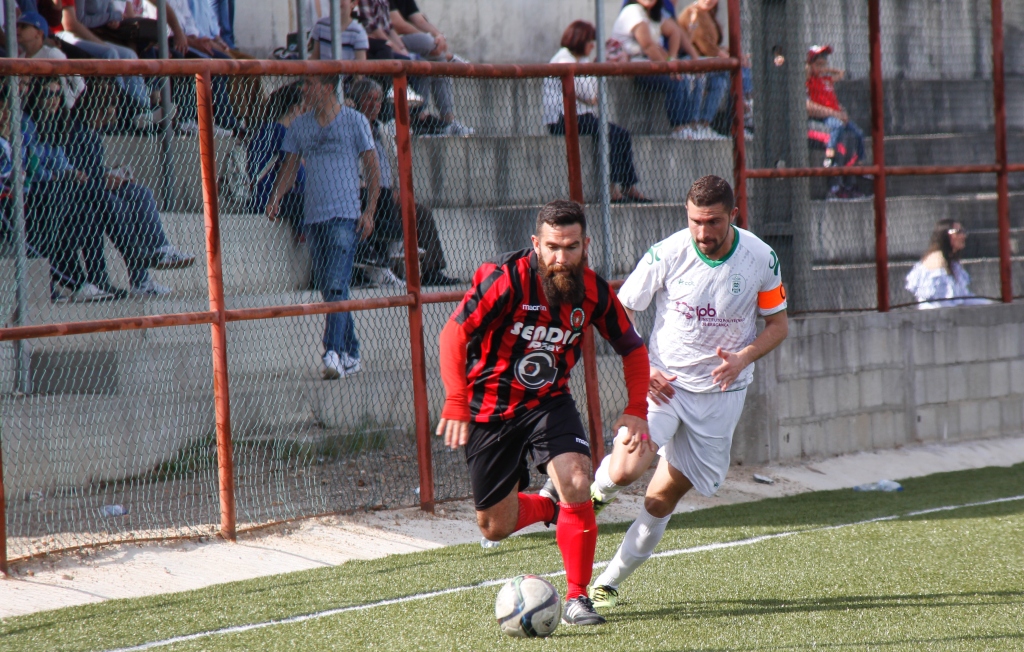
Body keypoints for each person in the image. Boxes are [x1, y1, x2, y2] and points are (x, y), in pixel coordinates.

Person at [435, 200, 651, 626]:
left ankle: (576, 598)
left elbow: (632, 347)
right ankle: (553, 508)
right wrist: (456, 399)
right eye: (552, 246)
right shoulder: (505, 281)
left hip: (547, 402)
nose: (561, 257)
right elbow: (453, 333)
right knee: (494, 526)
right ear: (536, 243)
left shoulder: (593, 291)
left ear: (585, 245)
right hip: (489, 408)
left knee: (576, 479)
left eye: (571, 247)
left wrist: (636, 408)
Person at [586, 175, 789, 609]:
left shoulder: (760, 257)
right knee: (625, 470)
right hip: (663, 384)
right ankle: (598, 491)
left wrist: (743, 357)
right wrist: (645, 368)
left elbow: (778, 326)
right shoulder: (668, 252)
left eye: (712, 221)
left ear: (732, 216)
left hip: (720, 393)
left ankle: (609, 582)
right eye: (695, 220)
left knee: (659, 500)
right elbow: (619, 309)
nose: (702, 232)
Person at [266, 74, 380, 380]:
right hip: (313, 219)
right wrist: (276, 196)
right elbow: (289, 166)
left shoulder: (355, 121)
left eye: (310, 84)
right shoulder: (300, 126)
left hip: (345, 216)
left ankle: (332, 351)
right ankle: (352, 353)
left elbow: (372, 166)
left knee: (333, 286)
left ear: (328, 87)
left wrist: (369, 211)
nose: (304, 89)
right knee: (335, 288)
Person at [349, 78, 459, 287]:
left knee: (421, 212)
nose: (374, 105)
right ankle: (390, 256)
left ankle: (430, 271)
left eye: (378, 100)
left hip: (388, 192)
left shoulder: (382, 130)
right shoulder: (352, 129)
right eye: (368, 100)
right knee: (382, 201)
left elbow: (393, 163)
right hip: (364, 193)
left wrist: (397, 189)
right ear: (357, 100)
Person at [545, 21, 650, 204]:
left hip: (582, 116)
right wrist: (592, 83)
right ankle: (612, 190)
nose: (593, 46)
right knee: (612, 133)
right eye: (590, 41)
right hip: (562, 119)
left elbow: (591, 94)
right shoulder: (564, 59)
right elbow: (590, 95)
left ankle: (628, 186)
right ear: (580, 40)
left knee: (622, 134)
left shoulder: (582, 61)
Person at [610, 0, 703, 140]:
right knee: (674, 80)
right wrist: (668, 68)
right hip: (633, 65)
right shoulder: (632, 10)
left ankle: (689, 125)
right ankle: (679, 128)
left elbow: (675, 32)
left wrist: (671, 59)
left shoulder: (656, 13)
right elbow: (648, 46)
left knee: (683, 77)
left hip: (653, 64)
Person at [387, 0, 473, 136]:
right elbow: (397, 24)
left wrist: (439, 36)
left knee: (437, 59)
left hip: (409, 43)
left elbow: (420, 21)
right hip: (391, 41)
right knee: (432, 49)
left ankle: (429, 117)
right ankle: (444, 119)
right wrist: (428, 38)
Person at [676, 0, 749, 139]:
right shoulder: (693, 13)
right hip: (693, 59)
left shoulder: (709, 14)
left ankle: (706, 124)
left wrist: (735, 55)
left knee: (720, 81)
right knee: (736, 72)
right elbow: (705, 46)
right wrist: (728, 58)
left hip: (709, 60)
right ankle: (695, 123)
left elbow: (716, 45)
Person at [806, 44, 868, 199]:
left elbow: (840, 74)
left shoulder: (826, 80)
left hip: (834, 117)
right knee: (839, 136)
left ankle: (850, 182)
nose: (823, 67)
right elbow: (808, 106)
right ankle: (834, 186)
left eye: (824, 63)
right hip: (817, 122)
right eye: (818, 64)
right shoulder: (809, 80)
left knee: (854, 135)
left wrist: (841, 112)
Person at [247, 81, 306, 233]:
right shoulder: (283, 133)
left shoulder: (264, 130)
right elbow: (301, 177)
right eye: (303, 110)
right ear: (294, 109)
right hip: (270, 200)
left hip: (256, 199)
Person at [905, 219, 993, 309]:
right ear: (944, 236)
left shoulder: (951, 262)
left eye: (963, 232)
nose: (963, 236)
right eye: (958, 232)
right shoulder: (936, 260)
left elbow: (962, 298)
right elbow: (941, 302)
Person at [15, 11, 86, 109]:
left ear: (39, 33)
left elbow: (78, 83)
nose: (18, 30)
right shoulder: (20, 59)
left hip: (60, 111)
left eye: (23, 26)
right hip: (33, 110)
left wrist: (73, 106)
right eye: (17, 26)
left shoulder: (52, 54)